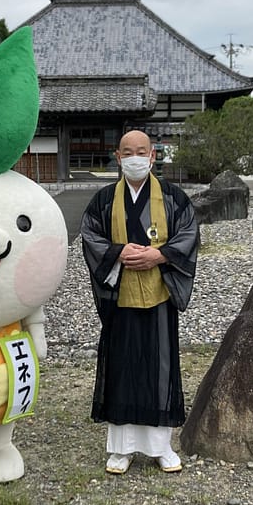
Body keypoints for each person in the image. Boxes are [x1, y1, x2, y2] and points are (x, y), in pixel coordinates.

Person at [81, 130, 199, 474]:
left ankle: (161, 446)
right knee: (122, 366)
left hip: (159, 295)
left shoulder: (174, 198)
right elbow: (90, 236)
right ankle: (122, 448)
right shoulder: (104, 200)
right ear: (118, 158)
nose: (135, 157)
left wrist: (160, 256)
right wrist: (118, 252)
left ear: (153, 156)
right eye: (127, 152)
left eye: (142, 151)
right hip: (121, 297)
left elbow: (189, 235)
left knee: (159, 367)